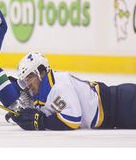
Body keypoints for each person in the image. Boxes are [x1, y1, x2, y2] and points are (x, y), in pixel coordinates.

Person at [8, 52, 136, 130]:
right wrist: (20, 113)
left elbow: (72, 121)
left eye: (30, 77)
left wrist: (40, 122)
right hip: (117, 111)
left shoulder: (59, 86)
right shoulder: (41, 91)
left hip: (124, 105)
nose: (27, 84)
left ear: (41, 72)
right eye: (25, 80)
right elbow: (40, 110)